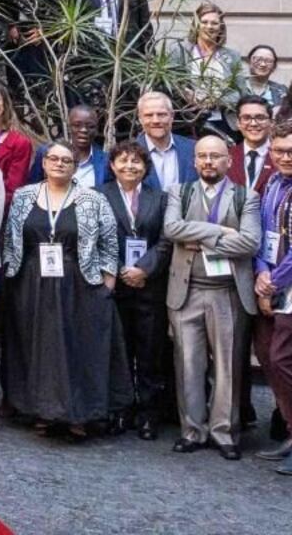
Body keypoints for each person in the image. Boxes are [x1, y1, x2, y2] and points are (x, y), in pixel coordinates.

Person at [2, 138, 127, 439]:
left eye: (66, 161)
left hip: (79, 283)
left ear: (75, 167)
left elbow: (110, 242)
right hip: (32, 281)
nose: (59, 164)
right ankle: (42, 411)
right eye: (53, 159)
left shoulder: (92, 199)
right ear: (43, 164)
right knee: (38, 348)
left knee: (77, 348)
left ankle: (78, 415)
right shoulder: (23, 196)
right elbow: (10, 237)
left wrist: (107, 280)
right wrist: (12, 274)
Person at [165, 134, 261, 459]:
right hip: (187, 290)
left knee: (227, 366)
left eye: (215, 156)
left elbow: (249, 242)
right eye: (202, 156)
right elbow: (172, 229)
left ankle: (224, 432)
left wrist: (199, 237)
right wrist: (220, 233)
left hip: (228, 293)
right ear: (194, 161)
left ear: (228, 161)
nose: (208, 161)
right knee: (187, 364)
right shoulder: (180, 191)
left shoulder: (246, 196)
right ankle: (192, 430)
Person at [101, 140, 171, 440]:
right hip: (115, 287)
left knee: (150, 353)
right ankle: (121, 410)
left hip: (150, 286)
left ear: (146, 167)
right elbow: (96, 239)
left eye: (136, 161)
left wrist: (143, 268)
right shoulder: (99, 197)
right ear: (113, 165)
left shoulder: (162, 199)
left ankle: (149, 414)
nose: (129, 166)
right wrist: (119, 269)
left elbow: (167, 240)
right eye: (123, 161)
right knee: (119, 351)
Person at [253, 123, 292, 472]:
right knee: (271, 357)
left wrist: (272, 282)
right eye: (278, 151)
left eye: (290, 152)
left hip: (287, 285)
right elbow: (261, 235)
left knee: (283, 359)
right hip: (273, 279)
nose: (284, 157)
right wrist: (261, 271)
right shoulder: (274, 184)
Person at [135, 89, 195, 191]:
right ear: (140, 119)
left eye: (161, 114)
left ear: (172, 116)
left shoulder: (193, 149)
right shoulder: (129, 153)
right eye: (149, 115)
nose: (156, 121)